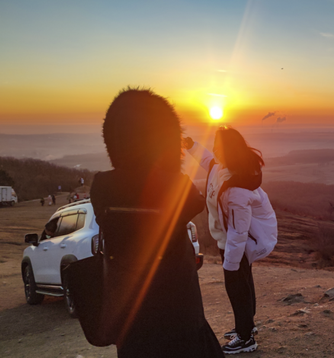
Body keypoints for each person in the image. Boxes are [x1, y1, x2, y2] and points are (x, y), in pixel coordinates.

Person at [89, 88, 224, 358]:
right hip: (181, 316)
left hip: (131, 322)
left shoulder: (101, 187)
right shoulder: (176, 186)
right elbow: (195, 202)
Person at [185, 126, 277, 355]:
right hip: (227, 239)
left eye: (219, 146)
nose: (214, 149)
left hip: (236, 244)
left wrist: (230, 263)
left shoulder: (237, 189)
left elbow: (238, 232)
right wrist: (191, 146)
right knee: (243, 285)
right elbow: (207, 159)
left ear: (229, 151)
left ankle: (246, 338)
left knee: (237, 288)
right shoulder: (220, 165)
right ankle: (246, 326)